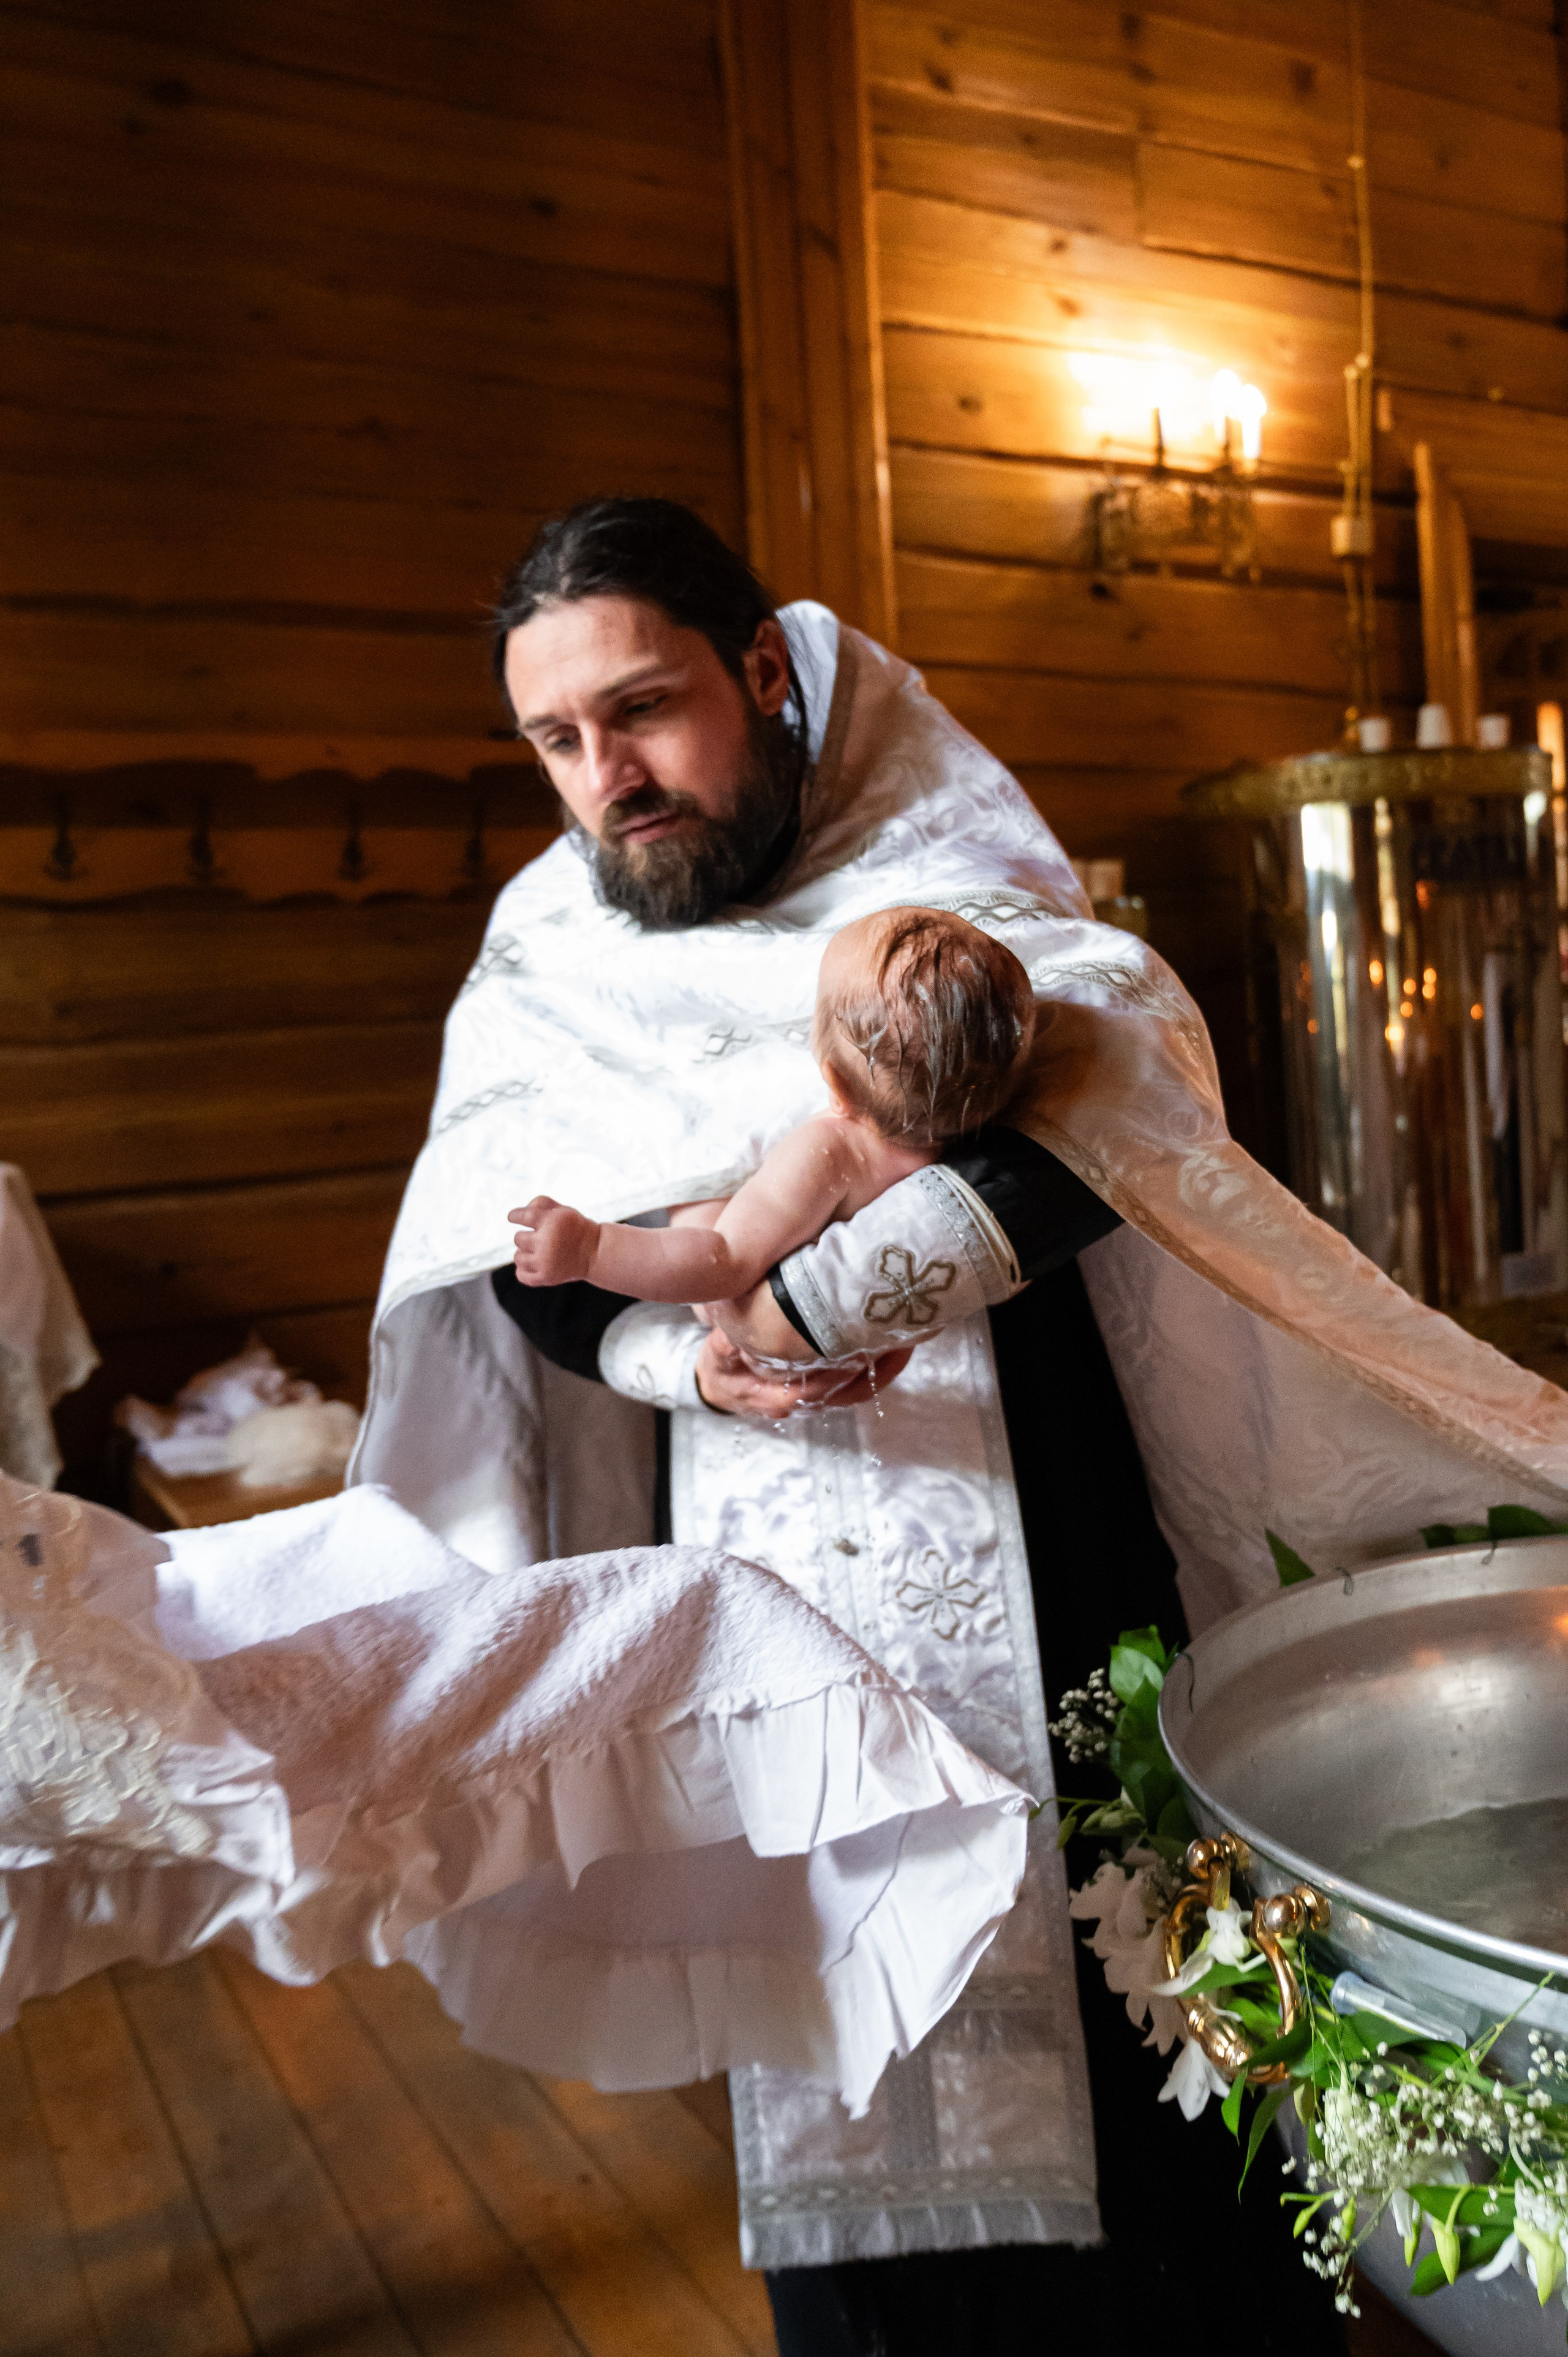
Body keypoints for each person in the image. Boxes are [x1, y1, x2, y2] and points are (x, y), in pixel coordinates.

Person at [352, 495, 1568, 2354]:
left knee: (1138, 2037)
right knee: (829, 2017)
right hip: (742, 1552)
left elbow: (1111, 1114)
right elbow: (498, 1243)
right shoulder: (543, 948)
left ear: (763, 672)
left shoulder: (943, 843)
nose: (609, 776)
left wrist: (813, 1296)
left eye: (645, 708)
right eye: (558, 740)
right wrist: (696, 1364)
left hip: (1047, 1536)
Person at [506, 907, 1035, 1323]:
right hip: (894, 1305)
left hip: (749, 1300)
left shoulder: (832, 1153)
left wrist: (593, 1249)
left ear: (836, 1086)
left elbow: (724, 1259)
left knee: (697, 1170)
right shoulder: (990, 1135)